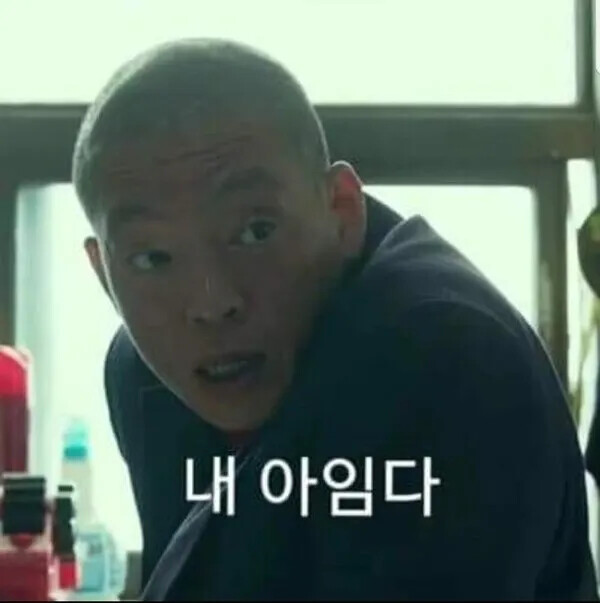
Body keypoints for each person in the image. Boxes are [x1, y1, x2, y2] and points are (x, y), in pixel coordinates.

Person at [72, 38, 598, 600]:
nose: (212, 301)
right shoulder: (144, 369)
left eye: (255, 231)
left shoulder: (444, 357)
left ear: (342, 210)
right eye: (152, 259)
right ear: (105, 273)